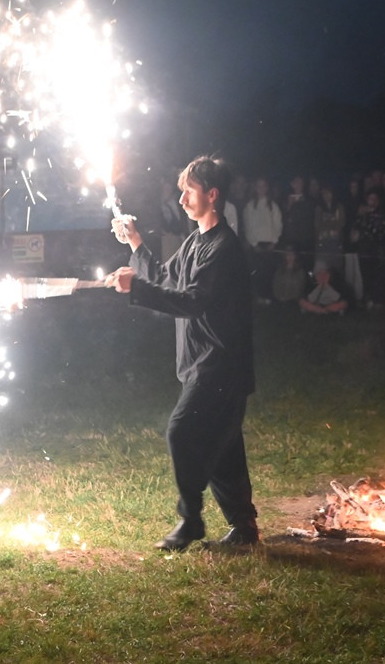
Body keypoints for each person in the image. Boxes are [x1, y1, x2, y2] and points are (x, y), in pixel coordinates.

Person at [107, 156, 258, 551]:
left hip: (221, 367)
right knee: (222, 449)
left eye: (189, 190)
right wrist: (135, 243)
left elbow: (191, 302)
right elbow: (164, 278)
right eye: (181, 190)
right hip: (202, 365)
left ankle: (191, 520)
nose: (182, 198)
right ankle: (244, 529)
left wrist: (135, 290)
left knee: (183, 432)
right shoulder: (196, 241)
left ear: (212, 194)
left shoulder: (223, 249)